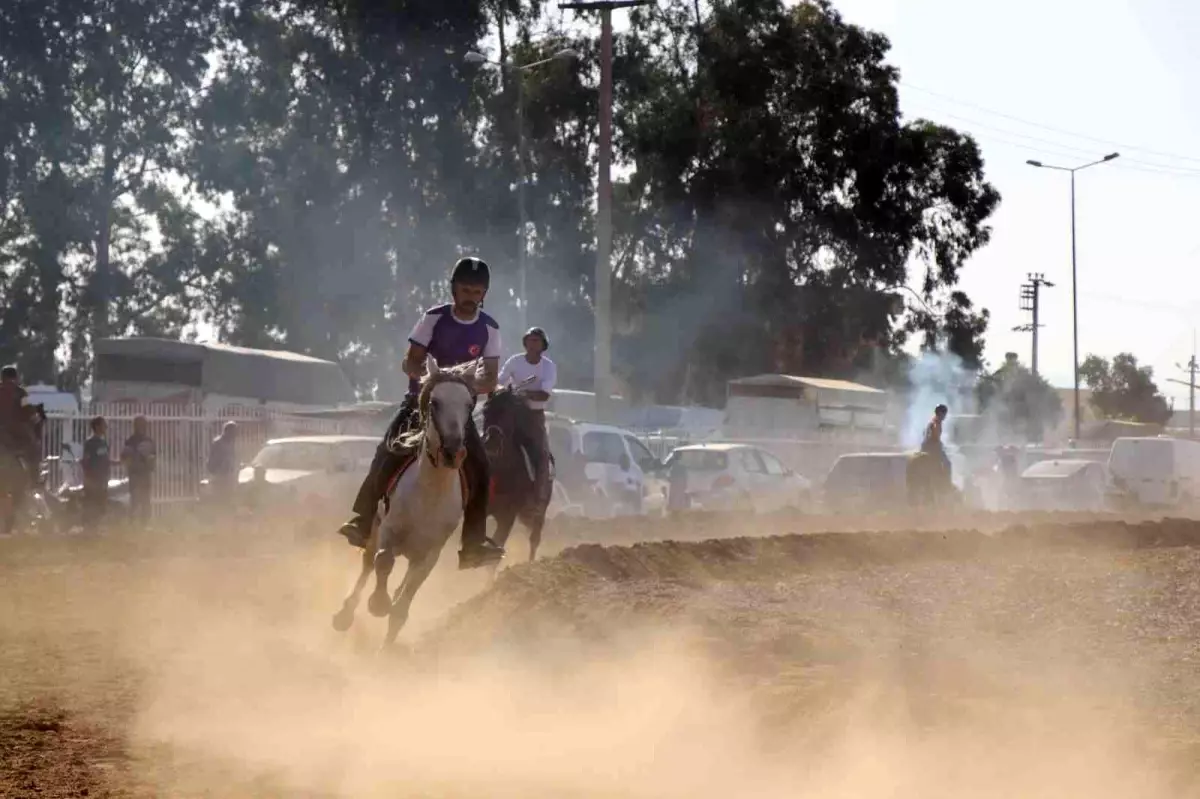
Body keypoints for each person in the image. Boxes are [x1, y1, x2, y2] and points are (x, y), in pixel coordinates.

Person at [336, 256, 506, 570]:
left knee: (481, 466)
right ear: (454, 289)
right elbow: (409, 361)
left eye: (477, 291)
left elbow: (491, 378)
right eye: (465, 289)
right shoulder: (433, 318)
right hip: (420, 403)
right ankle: (362, 519)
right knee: (386, 451)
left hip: (458, 410)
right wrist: (430, 380)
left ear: (485, 294)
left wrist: (460, 384)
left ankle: (473, 544)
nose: (471, 297)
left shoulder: (489, 329)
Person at [498, 327, 556, 503]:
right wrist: (504, 391)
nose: (532, 344)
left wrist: (524, 394)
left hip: (533, 417)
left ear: (543, 345)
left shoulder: (548, 367)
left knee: (541, 455)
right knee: (491, 442)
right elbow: (499, 382)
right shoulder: (514, 361)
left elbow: (545, 394)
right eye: (529, 340)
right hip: (512, 415)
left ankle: (539, 495)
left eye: (536, 341)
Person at [0, 365, 40, 485]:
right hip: (17, 435)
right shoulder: (21, 393)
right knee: (34, 451)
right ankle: (35, 481)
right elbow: (32, 415)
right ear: (15, 377)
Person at [121, 416, 156, 528]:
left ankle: (144, 524)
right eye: (141, 425)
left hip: (144, 475)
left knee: (145, 500)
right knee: (135, 500)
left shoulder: (148, 440)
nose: (143, 427)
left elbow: (154, 455)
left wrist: (150, 463)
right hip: (135, 475)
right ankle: (133, 523)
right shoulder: (130, 441)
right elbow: (125, 458)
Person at [81, 416, 112, 532]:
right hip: (94, 479)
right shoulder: (90, 443)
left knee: (101, 503)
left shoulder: (104, 442)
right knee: (91, 503)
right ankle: (89, 527)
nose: (106, 427)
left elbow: (105, 460)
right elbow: (85, 460)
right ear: (97, 427)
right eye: (104, 425)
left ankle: (96, 527)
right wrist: (89, 477)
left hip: (102, 479)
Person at [206, 421, 240, 498]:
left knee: (229, 496)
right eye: (234, 431)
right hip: (220, 475)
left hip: (229, 475)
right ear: (228, 431)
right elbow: (212, 459)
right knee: (220, 496)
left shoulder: (232, 443)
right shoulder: (218, 443)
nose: (235, 434)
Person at [921, 403, 952, 477]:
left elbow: (926, 434)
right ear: (940, 413)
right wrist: (939, 444)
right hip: (932, 448)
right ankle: (946, 482)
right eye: (944, 413)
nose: (945, 416)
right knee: (947, 464)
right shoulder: (936, 423)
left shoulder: (933, 422)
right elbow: (934, 437)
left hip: (928, 446)